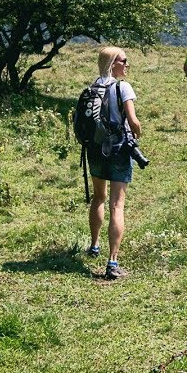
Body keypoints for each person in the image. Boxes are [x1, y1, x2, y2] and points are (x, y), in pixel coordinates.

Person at [85, 46, 141, 279]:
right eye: (123, 61)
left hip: (95, 150)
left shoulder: (92, 87)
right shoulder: (122, 87)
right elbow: (133, 121)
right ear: (112, 64)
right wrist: (137, 132)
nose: (127, 65)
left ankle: (94, 246)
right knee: (117, 205)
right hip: (118, 150)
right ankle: (112, 262)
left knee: (99, 197)